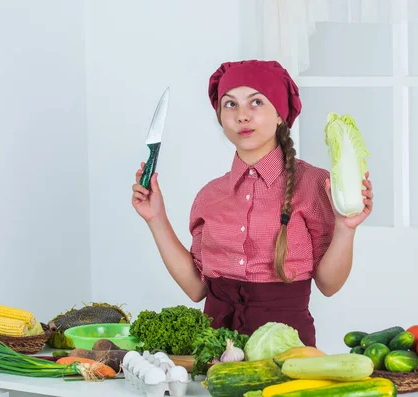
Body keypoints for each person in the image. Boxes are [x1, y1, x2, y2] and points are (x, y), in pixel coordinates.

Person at [131, 60, 373, 347]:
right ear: (220, 117)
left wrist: (346, 228)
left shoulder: (314, 185)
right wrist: (155, 218)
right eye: (230, 105)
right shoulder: (209, 196)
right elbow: (197, 289)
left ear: (281, 114)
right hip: (216, 354)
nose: (242, 116)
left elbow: (329, 285)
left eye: (256, 102)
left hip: (288, 357)